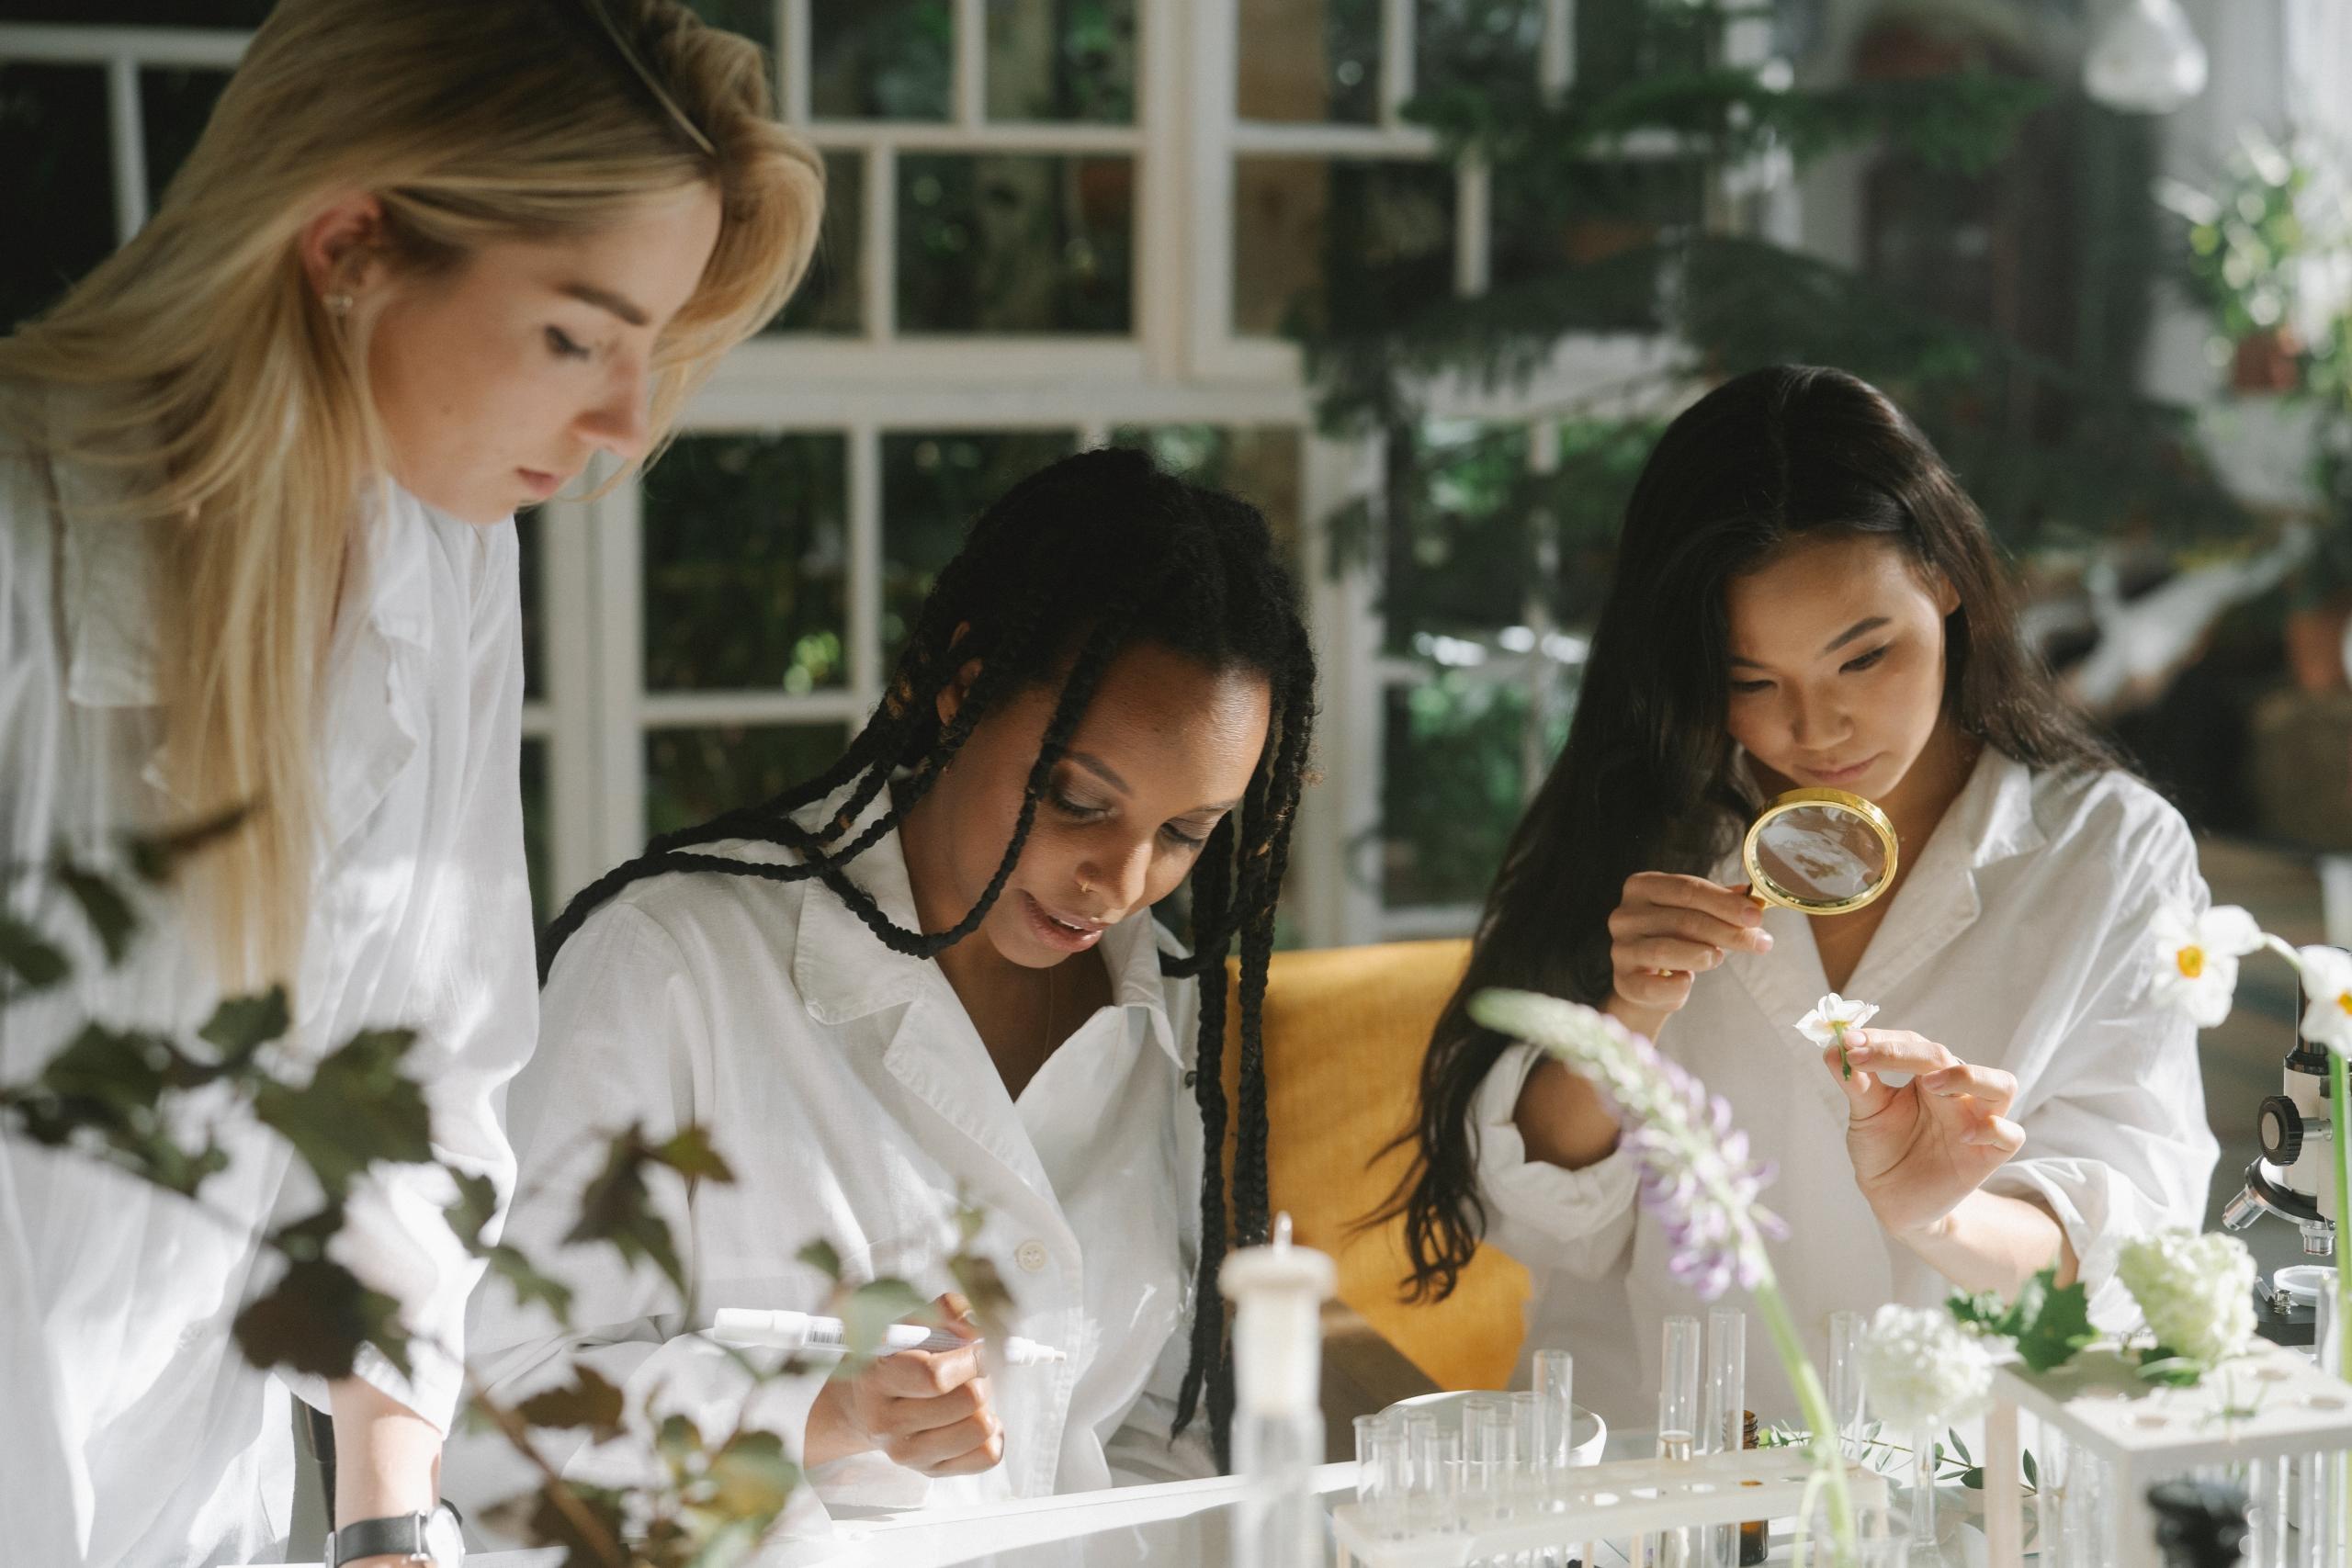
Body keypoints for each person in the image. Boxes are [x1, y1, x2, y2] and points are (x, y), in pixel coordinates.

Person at [0, 3, 820, 1562]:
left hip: (203, 1516)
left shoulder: (442, 556)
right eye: (577, 336)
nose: (620, 427)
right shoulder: (20, 559)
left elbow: (419, 1078)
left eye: (648, 350)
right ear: (349, 244)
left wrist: (391, 1517)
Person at [454, 447, 1317, 1540]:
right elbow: (489, 1418)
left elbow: (1160, 1428)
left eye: (1186, 833)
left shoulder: (1167, 1020)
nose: (1125, 880)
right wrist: (820, 1411)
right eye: (1078, 799)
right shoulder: (674, 965)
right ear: (961, 688)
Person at [1387, 366, 2218, 1425]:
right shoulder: (1641, 822)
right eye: (1749, 682)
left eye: (1862, 657)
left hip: (1951, 1485)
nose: (1813, 731)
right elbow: (1539, 1221)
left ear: (1948, 580)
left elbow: (2129, 1240)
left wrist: (1939, 1214)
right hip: (1655, 1456)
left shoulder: (2104, 857)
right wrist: (1625, 1021)